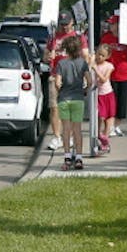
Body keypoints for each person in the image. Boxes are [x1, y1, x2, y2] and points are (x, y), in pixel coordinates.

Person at [45, 11, 88, 152]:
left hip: (72, 76)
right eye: (62, 24)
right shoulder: (53, 37)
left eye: (67, 24)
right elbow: (45, 56)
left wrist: (84, 74)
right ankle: (57, 136)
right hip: (55, 74)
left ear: (72, 22)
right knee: (54, 107)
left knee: (70, 107)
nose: (64, 27)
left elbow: (85, 55)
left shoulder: (78, 37)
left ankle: (68, 135)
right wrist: (49, 56)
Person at [52, 35, 92, 170]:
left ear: (65, 49)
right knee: (77, 130)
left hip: (64, 99)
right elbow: (90, 81)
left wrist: (61, 89)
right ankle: (79, 158)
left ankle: (67, 157)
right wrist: (85, 89)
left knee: (66, 129)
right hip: (78, 98)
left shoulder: (61, 63)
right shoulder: (82, 63)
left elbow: (57, 83)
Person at [99, 16, 127, 137]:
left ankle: (116, 125)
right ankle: (109, 127)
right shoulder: (107, 37)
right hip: (109, 74)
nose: (112, 26)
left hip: (124, 74)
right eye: (111, 24)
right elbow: (101, 53)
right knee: (111, 102)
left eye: (114, 24)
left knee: (122, 102)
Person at [93, 44, 115, 154]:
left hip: (107, 93)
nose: (99, 57)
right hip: (98, 95)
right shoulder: (93, 64)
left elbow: (104, 79)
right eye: (98, 54)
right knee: (100, 116)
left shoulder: (109, 66)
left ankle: (105, 139)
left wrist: (96, 70)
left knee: (109, 118)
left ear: (107, 56)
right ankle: (98, 135)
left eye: (102, 55)